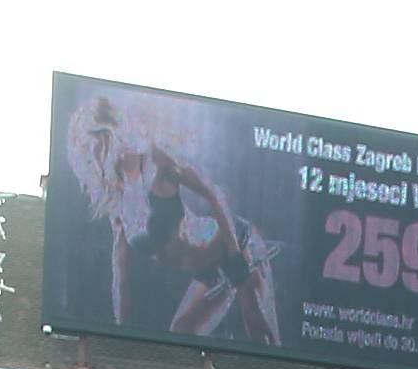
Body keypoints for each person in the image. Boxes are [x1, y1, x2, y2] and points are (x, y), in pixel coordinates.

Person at [66, 93, 281, 344]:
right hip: (208, 271)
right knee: (181, 337)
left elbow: (213, 193)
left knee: (262, 336)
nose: (89, 157)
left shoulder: (154, 161)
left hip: (235, 244)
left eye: (88, 145)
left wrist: (236, 263)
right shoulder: (117, 199)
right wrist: (120, 336)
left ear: (105, 134)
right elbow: (120, 273)